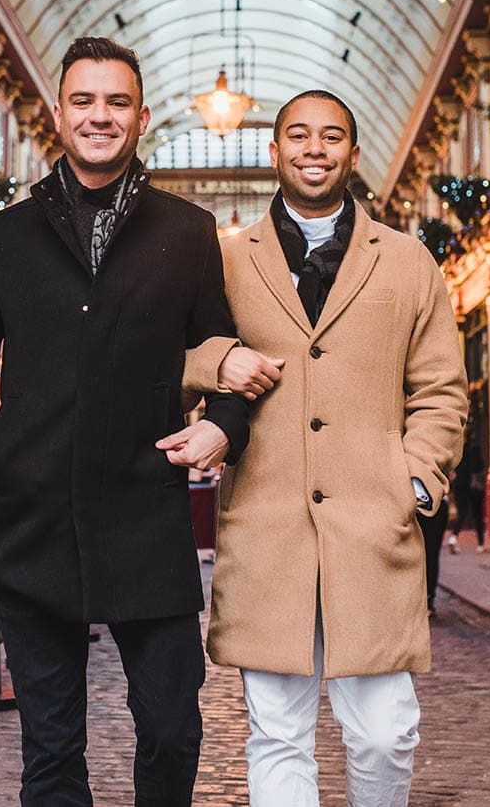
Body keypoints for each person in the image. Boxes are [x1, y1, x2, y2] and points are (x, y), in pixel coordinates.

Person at [0, 36, 250, 807]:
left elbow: (226, 353)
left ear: (141, 117)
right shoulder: (7, 234)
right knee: (51, 751)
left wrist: (223, 423)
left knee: (173, 731)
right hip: (33, 523)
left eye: (115, 103)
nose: (99, 116)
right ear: (58, 113)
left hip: (145, 517)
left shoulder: (186, 231)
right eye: (84, 101)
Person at [180, 90, 467, 807]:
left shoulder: (407, 263)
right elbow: (175, 352)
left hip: (374, 530)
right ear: (273, 152)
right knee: (276, 733)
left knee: (383, 731)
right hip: (267, 529)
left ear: (352, 154)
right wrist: (216, 363)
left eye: (330, 136)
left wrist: (416, 481)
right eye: (298, 136)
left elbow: (439, 390)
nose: (314, 148)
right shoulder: (222, 261)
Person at [447, 427, 486, 553]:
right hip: (472, 485)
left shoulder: (458, 448)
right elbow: (479, 466)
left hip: (460, 483)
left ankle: (453, 538)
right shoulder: (475, 448)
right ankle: (480, 544)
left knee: (462, 513)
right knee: (477, 514)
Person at [418, 495, 448, 617]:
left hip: (419, 503)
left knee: (428, 553)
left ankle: (426, 599)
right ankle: (428, 599)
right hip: (435, 502)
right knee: (431, 552)